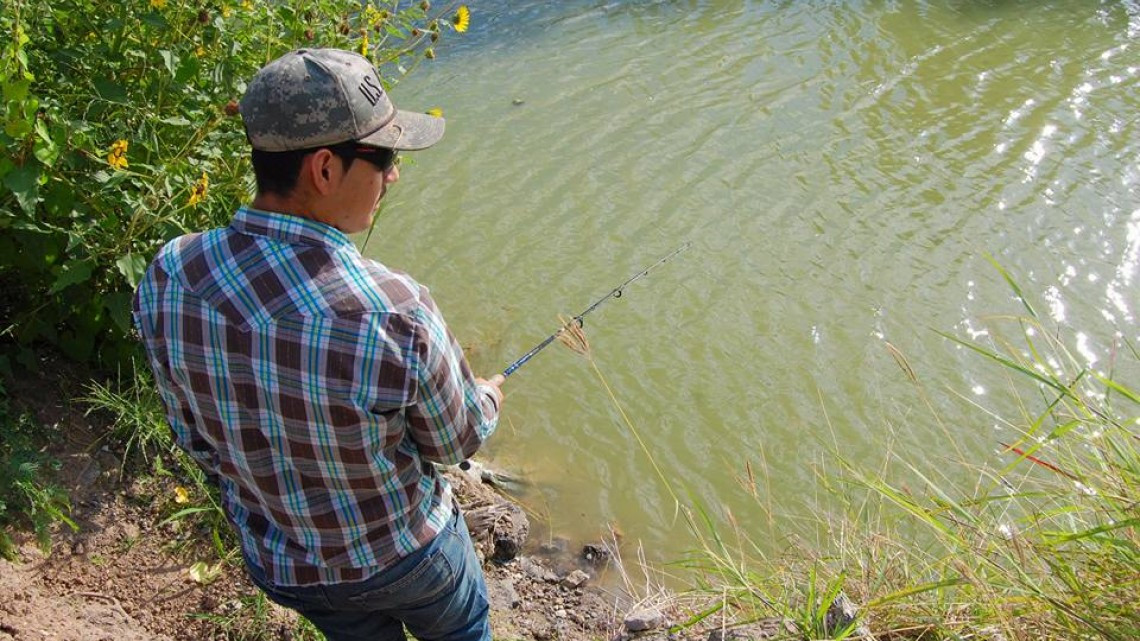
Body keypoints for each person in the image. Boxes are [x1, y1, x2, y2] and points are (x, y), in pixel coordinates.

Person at [133, 48, 504, 641]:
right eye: (384, 158)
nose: (394, 176)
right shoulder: (394, 309)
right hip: (407, 558)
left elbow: (198, 441)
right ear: (325, 169)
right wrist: (484, 397)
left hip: (283, 564)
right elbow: (453, 442)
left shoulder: (170, 274)